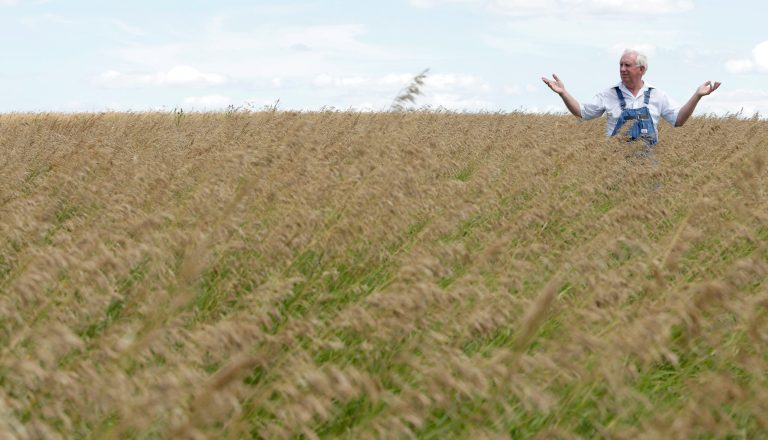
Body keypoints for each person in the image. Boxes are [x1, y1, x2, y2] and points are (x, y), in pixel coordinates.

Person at [541, 49, 721, 146]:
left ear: (641, 69)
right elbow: (582, 112)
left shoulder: (657, 95)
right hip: (614, 162)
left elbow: (678, 120)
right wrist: (563, 93)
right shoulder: (609, 94)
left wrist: (697, 96)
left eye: (627, 65)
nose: (622, 69)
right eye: (620, 65)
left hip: (649, 164)